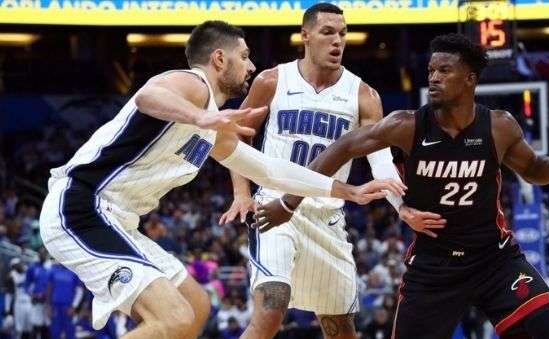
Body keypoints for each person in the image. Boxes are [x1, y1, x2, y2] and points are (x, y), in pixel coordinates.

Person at [38, 20, 404, 339]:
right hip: (81, 207)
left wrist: (348, 190)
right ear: (219, 59)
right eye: (244, 56)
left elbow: (271, 170)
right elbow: (148, 95)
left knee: (195, 307)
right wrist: (201, 119)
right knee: (174, 316)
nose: (252, 65)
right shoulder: (193, 84)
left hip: (117, 220)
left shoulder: (215, 122)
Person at [254, 33, 549, 338]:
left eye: (444, 71)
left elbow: (535, 169)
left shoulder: (499, 127)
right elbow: (341, 147)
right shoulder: (407, 125)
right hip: (434, 266)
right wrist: (288, 203)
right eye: (431, 71)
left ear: (470, 79)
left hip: (494, 259)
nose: (434, 78)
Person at [219, 4, 416, 339]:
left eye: (342, 33)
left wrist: (404, 209)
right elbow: (236, 135)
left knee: (340, 327)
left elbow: (380, 161)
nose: (337, 40)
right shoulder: (273, 80)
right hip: (276, 209)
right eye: (327, 32)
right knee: (272, 306)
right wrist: (241, 193)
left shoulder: (363, 95)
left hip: (327, 217)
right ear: (305, 36)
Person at [46, 263, 83, 339]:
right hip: (55, 307)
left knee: (70, 334)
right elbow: (49, 288)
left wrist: (74, 306)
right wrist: (48, 306)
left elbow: (79, 291)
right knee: (55, 334)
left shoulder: (74, 271)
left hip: (68, 308)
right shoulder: (53, 270)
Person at [25, 248, 51, 339]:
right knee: (36, 325)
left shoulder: (50, 267)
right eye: (41, 253)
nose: (43, 255)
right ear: (38, 254)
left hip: (48, 302)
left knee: (47, 326)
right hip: (37, 301)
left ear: (47, 255)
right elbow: (27, 284)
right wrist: (32, 294)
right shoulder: (33, 267)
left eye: (45, 253)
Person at [4, 258, 32, 339]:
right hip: (19, 303)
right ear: (13, 267)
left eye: (19, 264)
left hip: (29, 302)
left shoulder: (28, 271)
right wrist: (7, 310)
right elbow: (8, 295)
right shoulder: (11, 276)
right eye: (15, 266)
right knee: (18, 329)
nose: (19, 266)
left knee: (29, 328)